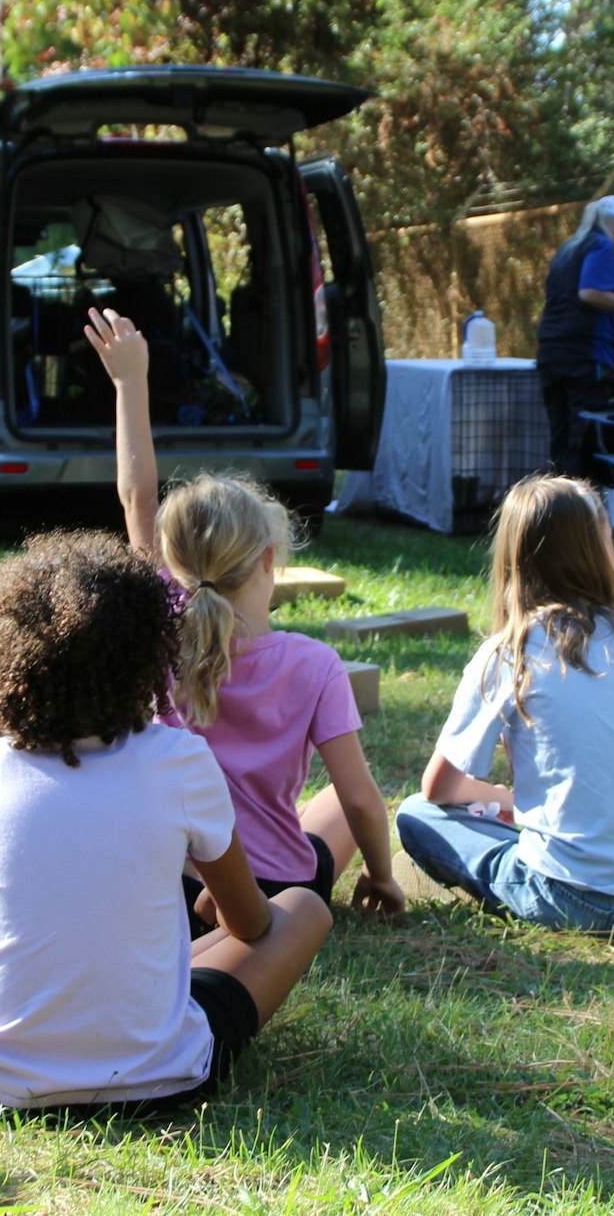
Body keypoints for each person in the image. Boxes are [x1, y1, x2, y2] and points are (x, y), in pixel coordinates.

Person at [0, 531, 332, 1115]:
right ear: (150, 656)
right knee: (304, 909)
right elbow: (251, 922)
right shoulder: (179, 759)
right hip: (165, 1076)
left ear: (1, 654)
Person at [85, 307, 404, 926]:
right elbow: (363, 800)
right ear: (268, 559)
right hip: (274, 888)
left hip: (170, 878)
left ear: (170, 561)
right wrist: (383, 877)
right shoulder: (314, 665)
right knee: (336, 813)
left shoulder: (156, 627)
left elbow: (136, 496)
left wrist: (130, 384)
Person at [395, 475, 614, 934]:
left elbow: (438, 789)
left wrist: (502, 799)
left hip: (570, 895)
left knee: (416, 814)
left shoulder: (511, 652)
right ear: (601, 553)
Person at [534, 195, 614, 478]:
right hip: (584, 356)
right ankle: (580, 511)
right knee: (584, 440)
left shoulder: (568, 248)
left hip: (551, 353)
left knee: (561, 439)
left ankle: (559, 509)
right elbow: (590, 292)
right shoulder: (602, 245)